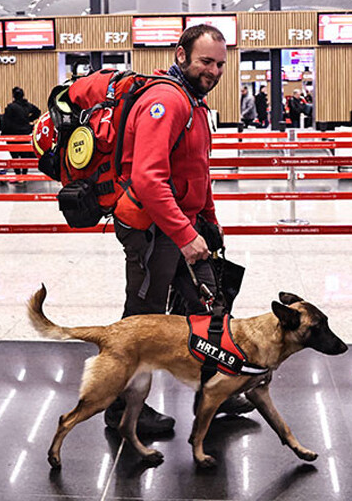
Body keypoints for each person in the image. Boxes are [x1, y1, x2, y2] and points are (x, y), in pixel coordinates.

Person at [106, 24, 254, 436]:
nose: (214, 71)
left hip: (183, 225)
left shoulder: (194, 103)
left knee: (209, 311)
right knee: (143, 319)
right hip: (152, 229)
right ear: (181, 56)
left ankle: (216, 394)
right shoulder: (166, 102)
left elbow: (197, 173)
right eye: (206, 61)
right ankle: (121, 409)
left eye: (221, 64)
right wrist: (186, 236)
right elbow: (149, 179)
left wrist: (209, 221)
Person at [2, 87, 40, 179]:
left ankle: (18, 174)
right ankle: (24, 174)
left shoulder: (10, 107)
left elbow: (6, 122)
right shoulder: (27, 105)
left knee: (15, 156)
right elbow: (37, 112)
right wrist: (28, 120)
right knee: (25, 155)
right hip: (25, 132)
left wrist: (4, 134)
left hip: (13, 134)